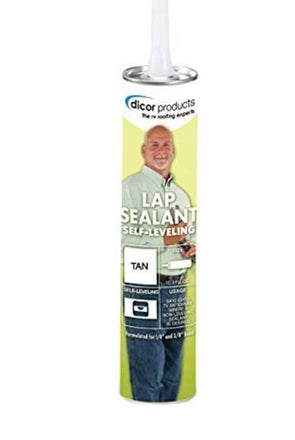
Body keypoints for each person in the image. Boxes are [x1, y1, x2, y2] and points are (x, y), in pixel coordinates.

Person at [122, 125, 196, 402]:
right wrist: (164, 239)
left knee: (172, 374)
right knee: (148, 376)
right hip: (145, 288)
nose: (161, 150)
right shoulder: (129, 188)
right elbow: (121, 243)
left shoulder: (181, 195)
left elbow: (191, 236)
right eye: (154, 145)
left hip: (177, 288)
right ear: (143, 150)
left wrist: (193, 248)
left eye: (166, 144)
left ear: (173, 151)